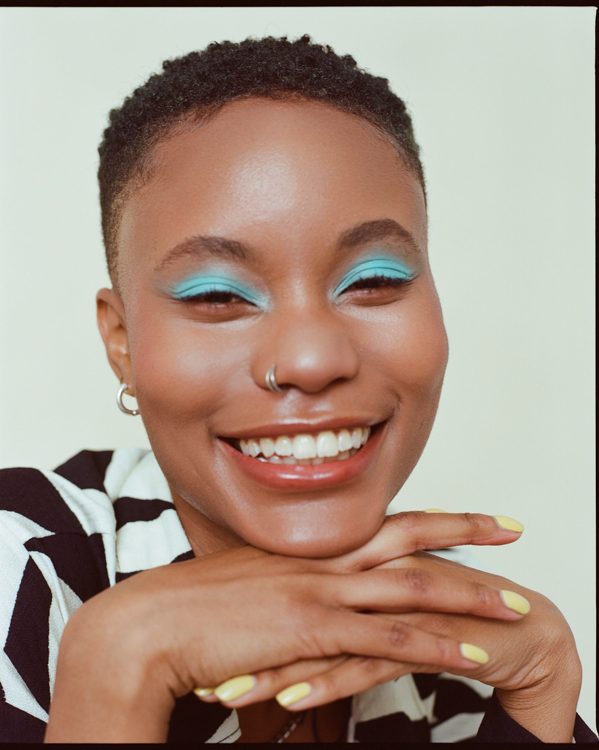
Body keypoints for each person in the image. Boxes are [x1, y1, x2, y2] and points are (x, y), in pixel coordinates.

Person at [0, 35, 595, 744]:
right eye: (219, 295)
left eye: (373, 281)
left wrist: (540, 701)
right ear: (122, 341)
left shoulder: (449, 639)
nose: (311, 361)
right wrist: (118, 665)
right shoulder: (22, 567)